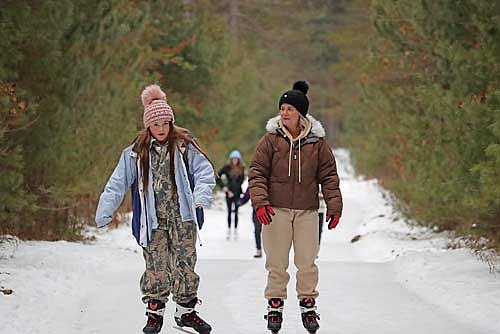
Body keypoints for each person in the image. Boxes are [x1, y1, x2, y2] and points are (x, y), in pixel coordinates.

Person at [95, 84, 215, 334]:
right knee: (156, 265)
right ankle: (155, 313)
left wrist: (200, 197)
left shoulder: (184, 146)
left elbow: (204, 172)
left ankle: (186, 312)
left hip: (183, 217)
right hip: (152, 220)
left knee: (185, 263)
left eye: (165, 123)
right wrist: (105, 211)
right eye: (156, 124)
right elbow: (117, 183)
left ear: (171, 123)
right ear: (148, 125)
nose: (161, 129)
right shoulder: (135, 153)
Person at [249, 81, 343, 334]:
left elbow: (329, 176)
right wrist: (260, 202)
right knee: (276, 261)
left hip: (307, 210)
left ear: (300, 113)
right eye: (282, 108)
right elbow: (257, 172)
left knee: (307, 261)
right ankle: (275, 304)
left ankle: (308, 304)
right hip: (275, 210)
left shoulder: (317, 143)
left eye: (289, 108)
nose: (284, 112)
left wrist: (334, 207)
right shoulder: (270, 140)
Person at [218, 150, 245, 239]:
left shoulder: (241, 168)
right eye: (233, 159)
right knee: (229, 211)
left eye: (236, 159)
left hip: (237, 193)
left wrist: (235, 192)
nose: (235, 161)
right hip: (228, 192)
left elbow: (241, 181)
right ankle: (229, 229)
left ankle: (236, 230)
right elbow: (217, 176)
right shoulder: (227, 167)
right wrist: (224, 188)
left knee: (236, 212)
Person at [240, 188, 263, 258]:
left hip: (269, 210)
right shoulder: (253, 182)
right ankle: (258, 249)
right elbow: (247, 195)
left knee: (269, 232)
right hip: (256, 211)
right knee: (257, 231)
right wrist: (240, 202)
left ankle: (272, 251)